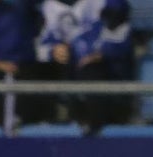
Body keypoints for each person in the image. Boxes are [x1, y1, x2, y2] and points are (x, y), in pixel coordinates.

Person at [35, 0, 133, 130]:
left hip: (107, 74)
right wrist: (53, 51)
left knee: (92, 70)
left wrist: (102, 53)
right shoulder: (48, 7)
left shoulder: (108, 3)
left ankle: (95, 126)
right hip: (68, 72)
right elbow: (40, 47)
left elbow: (123, 38)